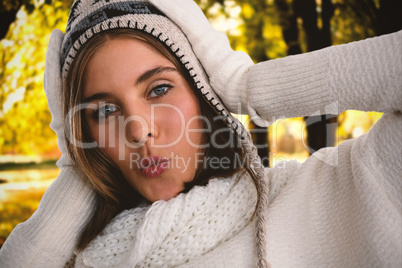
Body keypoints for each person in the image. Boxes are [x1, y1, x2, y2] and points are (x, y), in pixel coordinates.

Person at [0, 0, 401, 267]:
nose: (138, 130)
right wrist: (76, 167)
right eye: (104, 110)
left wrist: (245, 84)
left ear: (203, 95)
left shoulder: (337, 191)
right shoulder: (75, 255)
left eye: (159, 89)